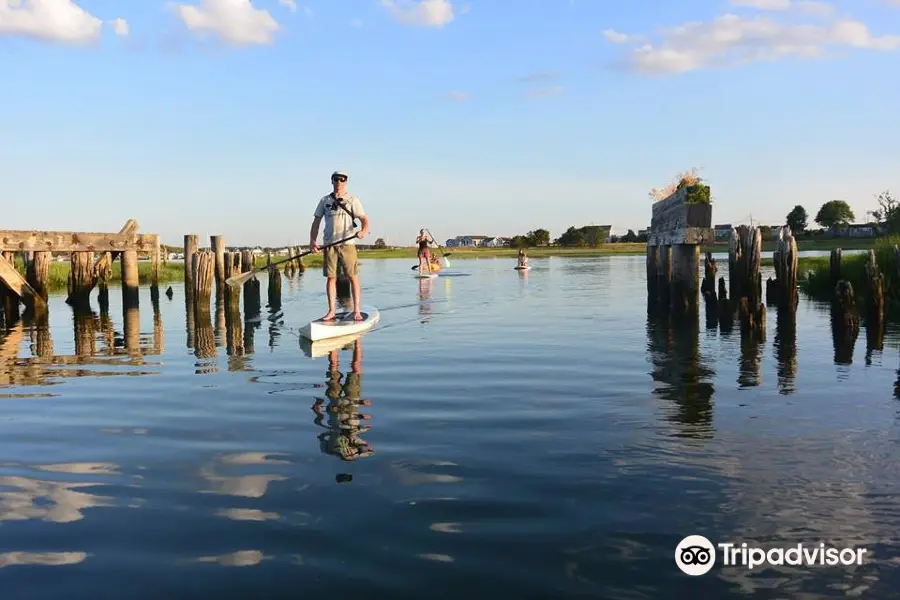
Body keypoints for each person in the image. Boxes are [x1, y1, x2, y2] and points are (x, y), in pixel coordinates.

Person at [309, 170, 370, 321]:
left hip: (348, 244)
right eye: (336, 179)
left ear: (346, 182)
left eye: (342, 179)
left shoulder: (353, 200)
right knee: (331, 278)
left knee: (352, 276)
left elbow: (364, 219)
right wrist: (313, 241)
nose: (339, 182)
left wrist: (364, 231)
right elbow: (316, 222)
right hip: (329, 244)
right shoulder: (325, 200)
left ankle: (356, 310)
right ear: (332, 181)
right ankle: (331, 311)